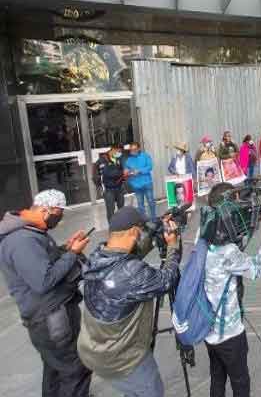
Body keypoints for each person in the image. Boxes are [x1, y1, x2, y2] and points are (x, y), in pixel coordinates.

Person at [77, 207, 181, 397]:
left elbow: (125, 255)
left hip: (93, 350)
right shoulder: (134, 273)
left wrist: (155, 225)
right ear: (134, 232)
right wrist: (173, 246)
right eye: (141, 230)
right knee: (151, 392)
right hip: (123, 360)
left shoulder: (98, 255)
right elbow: (167, 280)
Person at [0, 189, 92, 397]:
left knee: (55, 368)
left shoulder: (31, 232)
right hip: (50, 318)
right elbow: (43, 281)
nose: (60, 219)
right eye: (59, 213)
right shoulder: (22, 240)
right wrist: (72, 254)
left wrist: (64, 249)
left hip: (50, 315)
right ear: (45, 210)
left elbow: (41, 262)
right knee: (75, 369)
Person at [202, 182, 261, 397]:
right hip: (230, 334)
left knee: (217, 378)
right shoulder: (226, 252)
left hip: (209, 329)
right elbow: (256, 269)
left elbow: (236, 239)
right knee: (240, 382)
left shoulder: (205, 234)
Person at [125, 142, 156, 220]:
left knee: (151, 202)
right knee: (140, 205)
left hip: (146, 183)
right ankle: (144, 221)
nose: (133, 151)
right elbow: (126, 170)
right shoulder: (129, 159)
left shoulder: (145, 156)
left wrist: (139, 171)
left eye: (134, 149)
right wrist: (126, 172)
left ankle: (153, 219)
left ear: (139, 149)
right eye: (131, 150)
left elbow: (150, 167)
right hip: (136, 185)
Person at [95, 144, 125, 223]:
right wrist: (122, 173)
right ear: (112, 149)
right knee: (110, 211)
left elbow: (123, 168)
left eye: (121, 152)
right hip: (109, 190)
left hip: (119, 188)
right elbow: (108, 173)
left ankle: (122, 226)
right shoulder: (102, 160)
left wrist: (124, 173)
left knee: (121, 210)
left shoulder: (119, 158)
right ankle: (113, 228)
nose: (120, 153)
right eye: (118, 151)